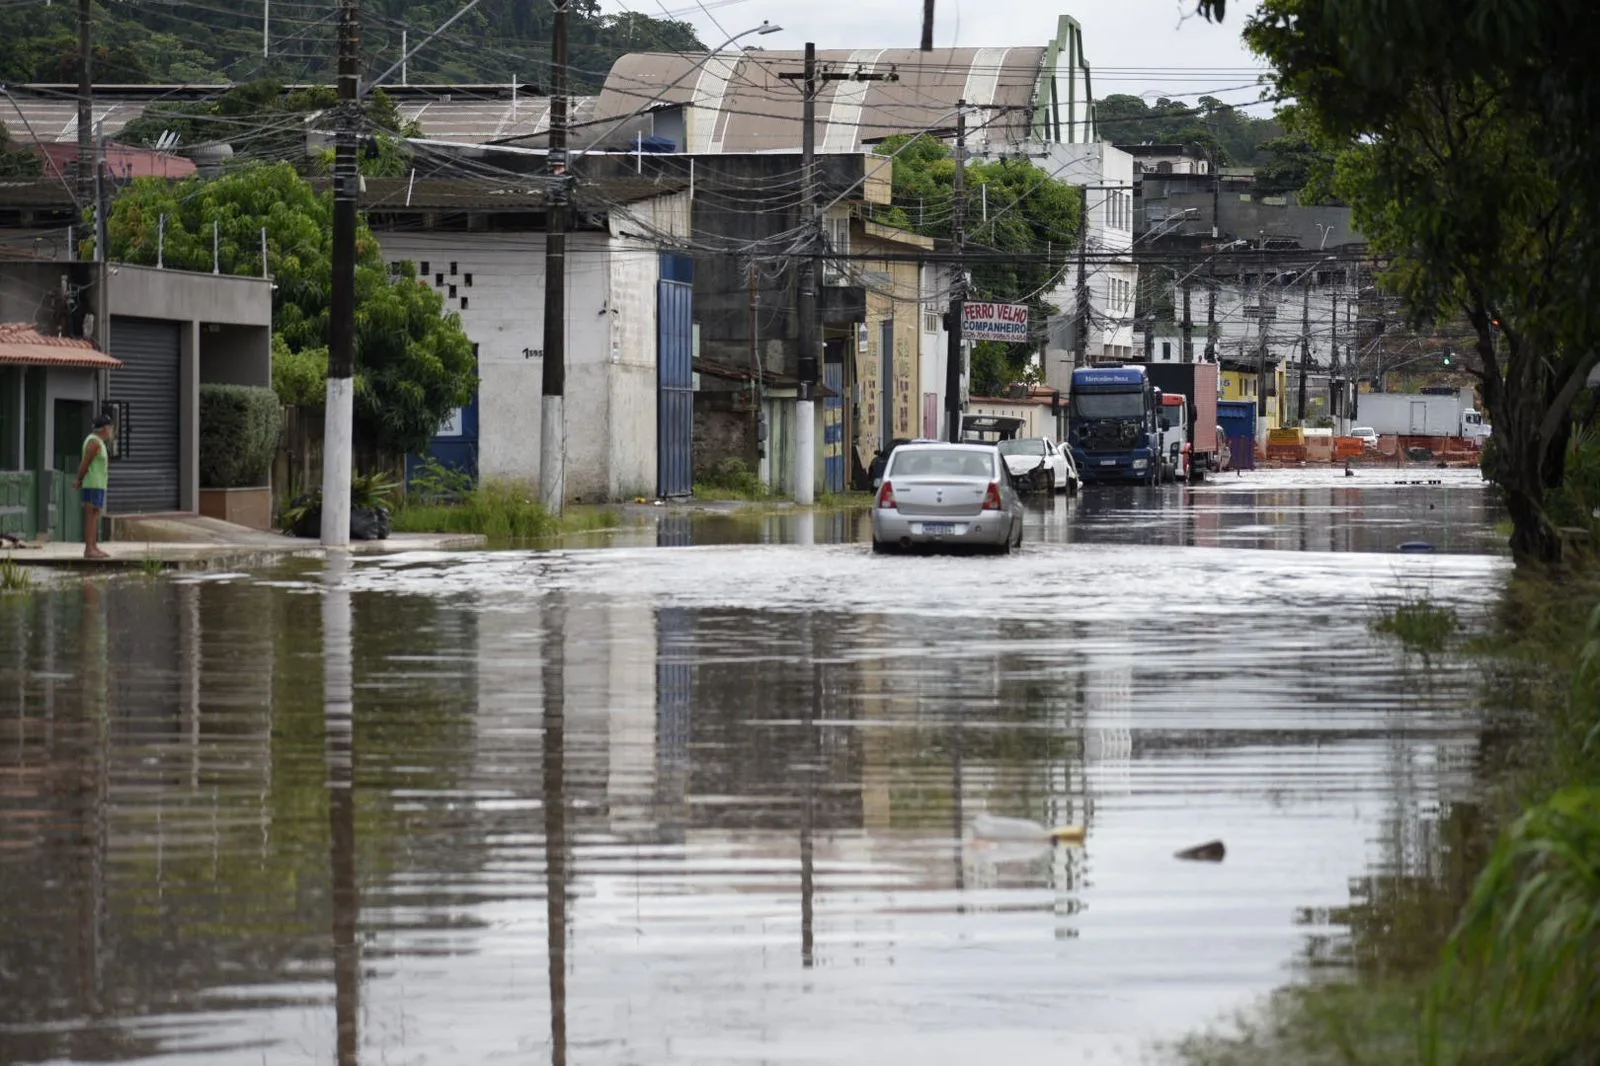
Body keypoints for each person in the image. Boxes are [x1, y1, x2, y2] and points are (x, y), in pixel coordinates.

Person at [73, 414, 114, 560]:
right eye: (110, 428)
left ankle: (94, 546)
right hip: (92, 484)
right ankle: (89, 549)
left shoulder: (99, 443)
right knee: (91, 516)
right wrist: (79, 479)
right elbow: (86, 462)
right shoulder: (94, 442)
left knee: (95, 515)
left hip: (98, 485)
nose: (111, 432)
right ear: (104, 429)